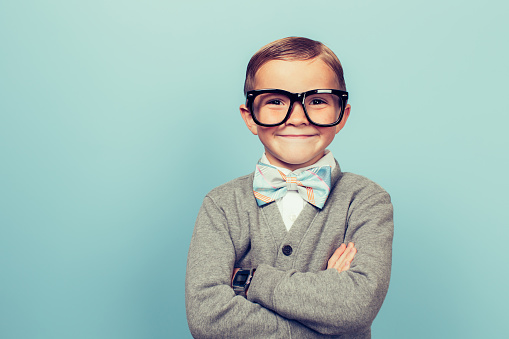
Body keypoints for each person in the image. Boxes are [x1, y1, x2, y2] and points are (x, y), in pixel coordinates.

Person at [185, 37, 394, 338]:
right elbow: (207, 318)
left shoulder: (366, 201)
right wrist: (324, 313)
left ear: (342, 115)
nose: (296, 118)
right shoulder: (221, 205)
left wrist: (250, 280)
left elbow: (355, 307)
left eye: (317, 101)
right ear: (249, 117)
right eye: (275, 101)